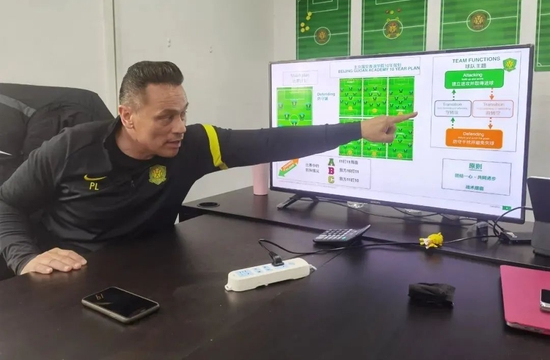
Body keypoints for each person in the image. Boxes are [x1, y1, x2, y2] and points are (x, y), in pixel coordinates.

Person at [0, 61, 417, 276]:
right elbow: (6, 204)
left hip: (151, 273)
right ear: (127, 116)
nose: (180, 127)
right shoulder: (70, 147)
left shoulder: (192, 145)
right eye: (166, 117)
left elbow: (271, 141)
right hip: (76, 276)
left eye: (183, 113)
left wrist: (358, 129)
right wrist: (25, 260)